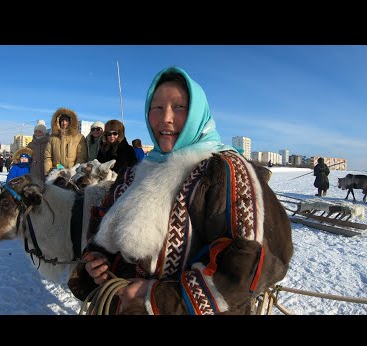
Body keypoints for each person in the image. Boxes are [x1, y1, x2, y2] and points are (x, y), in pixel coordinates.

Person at [67, 66, 293, 315]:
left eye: (179, 107)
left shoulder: (224, 170)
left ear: (198, 113)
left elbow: (248, 261)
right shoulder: (135, 173)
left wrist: (158, 298)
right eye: (157, 108)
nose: (166, 118)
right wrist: (96, 260)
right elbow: (103, 226)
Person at [44, 108, 87, 174]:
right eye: (62, 121)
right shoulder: (52, 138)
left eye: (66, 121)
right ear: (58, 122)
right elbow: (48, 157)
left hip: (72, 174)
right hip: (56, 173)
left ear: (71, 122)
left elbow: (81, 157)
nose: (64, 123)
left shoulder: (79, 137)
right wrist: (48, 173)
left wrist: (75, 171)